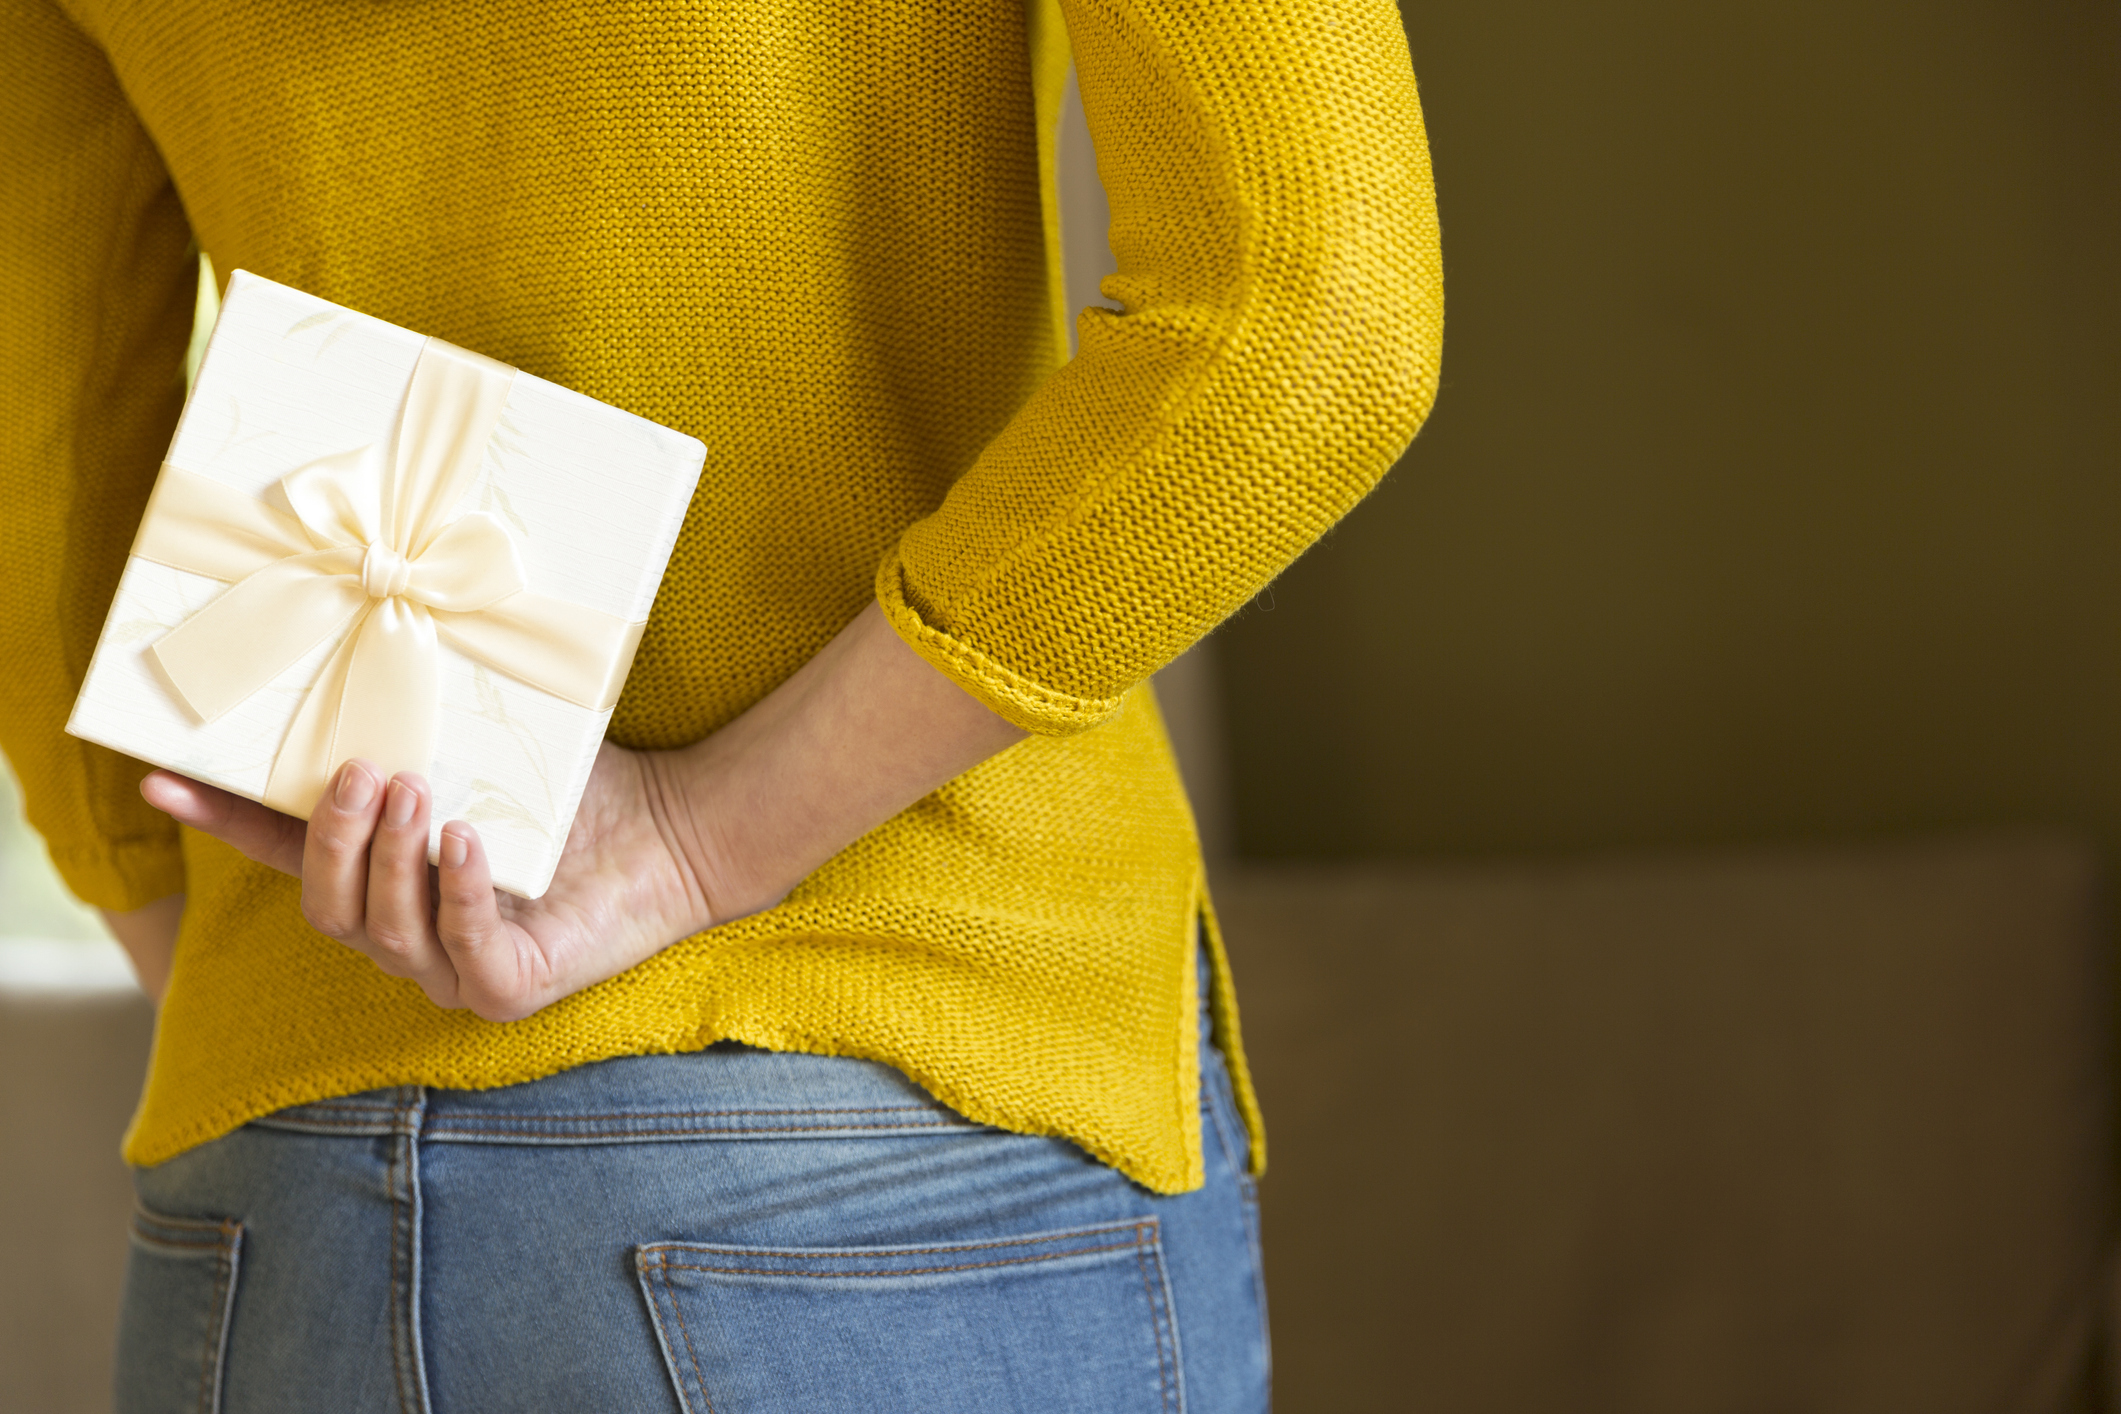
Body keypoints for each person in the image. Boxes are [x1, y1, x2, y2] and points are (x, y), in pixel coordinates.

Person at [0, 1, 1442, 1409]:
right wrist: (699, 835)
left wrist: (258, 991)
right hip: (895, 1088)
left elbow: (38, 478)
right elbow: (1313, 312)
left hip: (277, 1192)